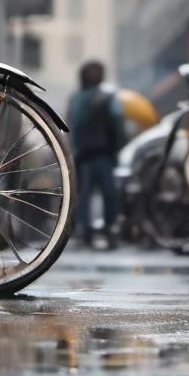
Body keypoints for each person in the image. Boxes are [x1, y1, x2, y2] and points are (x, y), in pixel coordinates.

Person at [67, 60, 126, 249]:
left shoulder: (107, 98)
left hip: (103, 154)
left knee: (108, 194)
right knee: (84, 195)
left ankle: (109, 228)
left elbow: (117, 125)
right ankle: (85, 230)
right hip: (85, 154)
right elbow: (72, 126)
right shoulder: (79, 98)